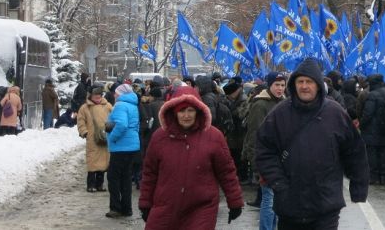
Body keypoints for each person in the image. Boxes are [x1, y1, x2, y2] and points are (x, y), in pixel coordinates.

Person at [255, 59, 369, 230]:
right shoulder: (279, 114)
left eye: (309, 81)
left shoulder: (335, 113)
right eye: (300, 81)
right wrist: (279, 184)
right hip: (289, 204)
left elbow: (354, 151)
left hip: (326, 203)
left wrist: (359, 186)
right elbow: (264, 150)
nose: (304, 86)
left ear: (318, 85)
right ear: (294, 85)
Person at [138, 86, 243, 228]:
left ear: (198, 111)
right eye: (181, 111)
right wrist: (145, 202)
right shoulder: (160, 137)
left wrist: (234, 201)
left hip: (201, 208)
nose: (186, 115)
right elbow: (150, 173)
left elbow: (226, 172)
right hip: (166, 205)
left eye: (190, 110)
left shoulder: (213, 136)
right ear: (174, 112)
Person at [243, 72, 286, 229]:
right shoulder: (260, 105)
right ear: (270, 85)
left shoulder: (284, 103)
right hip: (267, 160)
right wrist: (258, 165)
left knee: (278, 200)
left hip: (282, 160)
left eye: (282, 85)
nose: (280, 88)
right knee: (269, 199)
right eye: (277, 85)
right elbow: (254, 136)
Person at [105, 83, 141, 218]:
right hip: (132, 145)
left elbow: (122, 124)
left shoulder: (120, 105)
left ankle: (115, 208)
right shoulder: (133, 105)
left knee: (113, 178)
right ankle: (127, 208)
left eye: (116, 93)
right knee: (125, 177)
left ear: (121, 94)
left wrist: (112, 138)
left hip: (121, 146)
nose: (114, 95)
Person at [77, 88, 112, 192]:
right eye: (95, 96)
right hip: (92, 138)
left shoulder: (108, 106)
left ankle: (99, 184)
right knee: (92, 162)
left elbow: (113, 118)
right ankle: (91, 185)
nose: (98, 98)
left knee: (103, 162)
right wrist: (85, 132)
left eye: (99, 96)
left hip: (104, 138)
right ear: (91, 96)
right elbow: (80, 121)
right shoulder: (84, 108)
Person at [361, 73, 385, 185]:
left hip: (372, 129)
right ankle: (383, 176)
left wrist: (362, 124)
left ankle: (373, 176)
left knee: (372, 153)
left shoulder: (372, 95)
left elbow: (368, 113)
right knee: (383, 152)